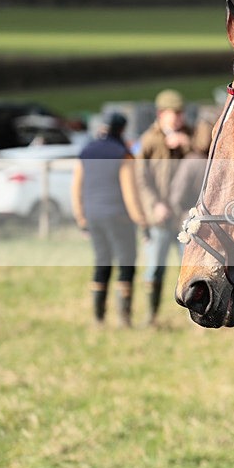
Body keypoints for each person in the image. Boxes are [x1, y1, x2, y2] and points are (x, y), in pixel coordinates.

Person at [72, 112, 147, 328]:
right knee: (125, 264)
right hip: (119, 218)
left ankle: (98, 318)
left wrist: (81, 218)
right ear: (121, 129)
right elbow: (130, 193)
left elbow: (76, 187)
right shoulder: (122, 154)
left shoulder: (86, 151)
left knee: (102, 263)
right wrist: (141, 221)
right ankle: (124, 319)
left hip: (94, 217)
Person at [136, 89, 192, 327]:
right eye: (174, 113)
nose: (179, 118)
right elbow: (141, 179)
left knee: (190, 272)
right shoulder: (149, 140)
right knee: (155, 270)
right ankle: (152, 316)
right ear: (161, 114)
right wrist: (154, 206)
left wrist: (186, 145)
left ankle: (196, 320)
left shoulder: (191, 136)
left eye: (181, 113)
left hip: (185, 218)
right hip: (159, 218)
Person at [169, 118, 213, 222]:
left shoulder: (191, 161)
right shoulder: (221, 162)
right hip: (216, 219)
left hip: (191, 217)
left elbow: (177, 196)